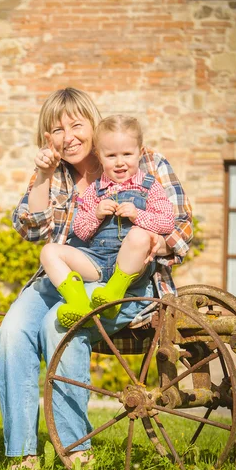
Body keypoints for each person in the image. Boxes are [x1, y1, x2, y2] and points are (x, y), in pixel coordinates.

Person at [0, 87, 193, 470]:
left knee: (58, 326)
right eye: (55, 130)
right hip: (64, 276)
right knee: (10, 333)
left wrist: (150, 241)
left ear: (93, 123)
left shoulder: (143, 161)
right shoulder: (57, 175)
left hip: (119, 281)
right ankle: (23, 456)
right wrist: (42, 177)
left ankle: (76, 450)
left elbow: (182, 228)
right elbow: (33, 231)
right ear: (46, 138)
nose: (67, 137)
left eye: (75, 125)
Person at [39, 115, 175, 327]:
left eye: (127, 154)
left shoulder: (150, 187)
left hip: (132, 268)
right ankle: (78, 303)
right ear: (99, 157)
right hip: (98, 261)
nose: (120, 162)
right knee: (49, 251)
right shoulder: (96, 190)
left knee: (139, 234)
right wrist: (96, 214)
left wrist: (137, 215)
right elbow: (81, 232)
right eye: (111, 156)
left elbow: (166, 223)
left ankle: (113, 294)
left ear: (140, 153)